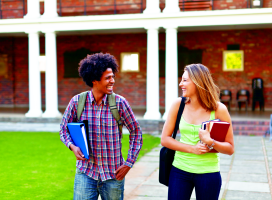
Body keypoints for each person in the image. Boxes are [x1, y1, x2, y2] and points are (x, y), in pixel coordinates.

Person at [60, 53, 143, 200]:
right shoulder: (77, 102)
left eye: (113, 77)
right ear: (94, 80)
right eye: (107, 78)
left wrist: (129, 163)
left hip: (113, 174)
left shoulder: (120, 103)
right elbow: (63, 129)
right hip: (86, 173)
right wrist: (72, 146)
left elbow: (136, 133)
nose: (112, 81)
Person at [161, 63, 234, 200]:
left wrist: (210, 142)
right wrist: (192, 149)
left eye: (185, 80)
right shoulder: (178, 105)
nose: (180, 84)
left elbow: (230, 148)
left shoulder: (219, 109)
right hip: (179, 171)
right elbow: (165, 139)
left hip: (208, 173)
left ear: (198, 82)